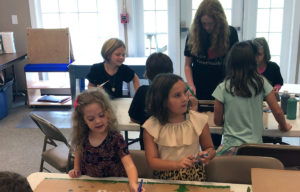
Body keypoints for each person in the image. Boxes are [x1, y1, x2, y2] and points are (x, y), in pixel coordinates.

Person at [212, 41, 292, 156]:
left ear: (231, 62)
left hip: (231, 147)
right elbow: (278, 112)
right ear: (254, 61)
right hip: (255, 149)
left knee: (214, 166)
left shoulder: (223, 87)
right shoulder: (261, 82)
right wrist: (284, 126)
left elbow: (217, 120)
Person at [184, 0, 238, 148]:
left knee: (216, 129)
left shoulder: (231, 33)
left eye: (211, 24)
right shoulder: (194, 33)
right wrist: (190, 85)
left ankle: (212, 162)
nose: (207, 27)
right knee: (197, 128)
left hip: (221, 87)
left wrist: (230, 87)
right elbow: (188, 65)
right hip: (199, 87)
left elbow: (234, 65)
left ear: (219, 22)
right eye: (204, 24)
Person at [68, 88, 145, 192]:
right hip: (90, 184)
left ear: (108, 113)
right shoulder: (83, 136)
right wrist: (76, 168)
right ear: (83, 121)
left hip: (114, 184)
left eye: (101, 115)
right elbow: (79, 152)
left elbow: (129, 164)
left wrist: (133, 183)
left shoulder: (116, 138)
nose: (98, 121)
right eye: (91, 119)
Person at [143, 73, 216, 181]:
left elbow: (210, 148)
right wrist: (177, 164)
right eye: (177, 95)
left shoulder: (199, 120)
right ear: (162, 101)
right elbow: (152, 161)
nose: (185, 98)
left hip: (194, 177)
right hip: (165, 179)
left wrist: (207, 154)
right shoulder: (151, 127)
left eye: (185, 92)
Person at [128, 52, 174, 150]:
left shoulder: (142, 91)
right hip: (173, 144)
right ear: (171, 72)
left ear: (148, 73)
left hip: (148, 146)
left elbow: (133, 118)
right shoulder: (177, 92)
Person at [253, 37, 285, 144]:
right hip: (255, 103)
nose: (257, 57)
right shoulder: (249, 68)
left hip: (270, 102)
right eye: (254, 54)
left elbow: (279, 82)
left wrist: (276, 88)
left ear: (265, 53)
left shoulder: (273, 67)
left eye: (260, 54)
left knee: (273, 127)